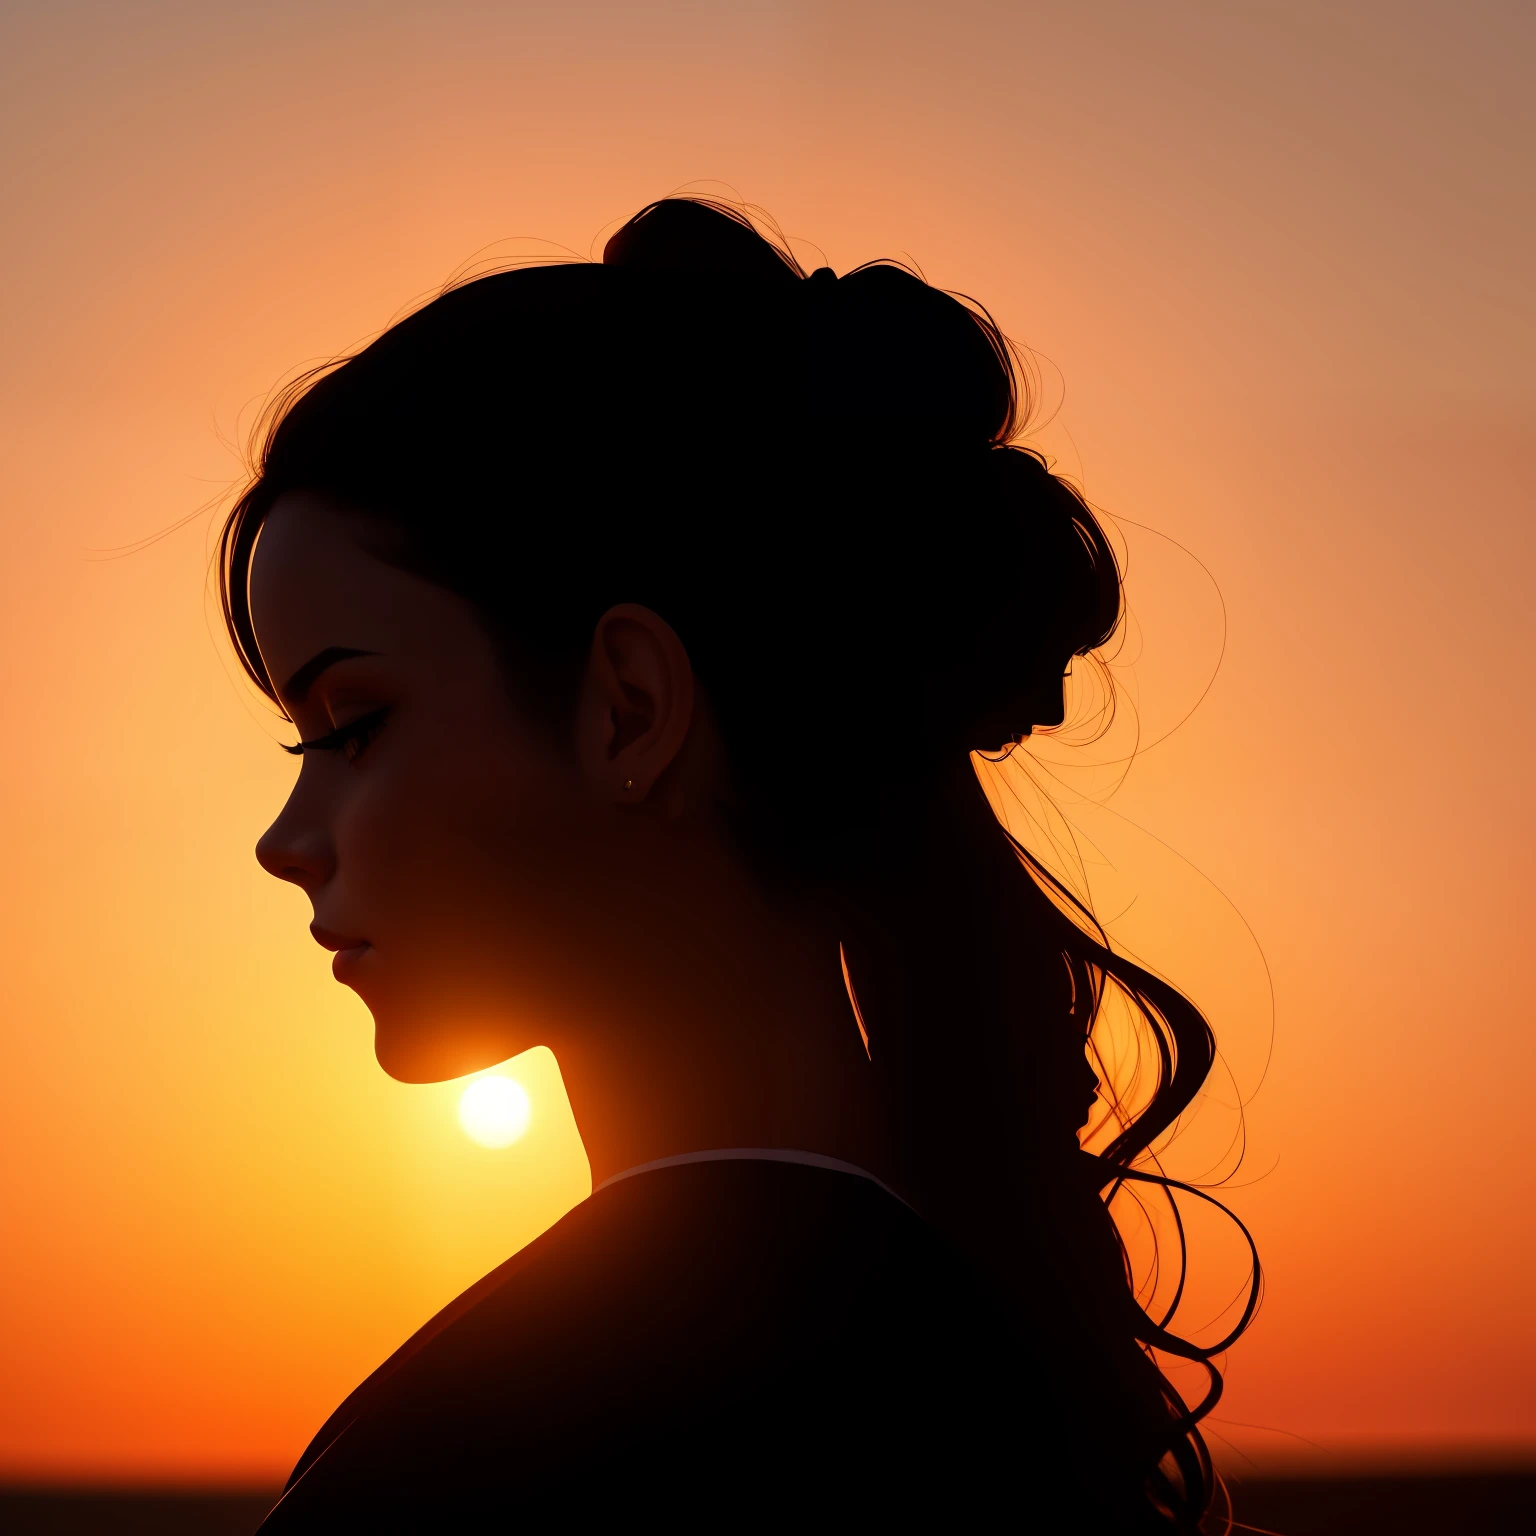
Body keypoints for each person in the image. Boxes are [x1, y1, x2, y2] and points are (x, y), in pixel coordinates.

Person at [224, 197, 1253, 1532]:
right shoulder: (955, 1365)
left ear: (631, 709)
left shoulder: (544, 1441)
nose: (284, 843)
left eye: (354, 725)